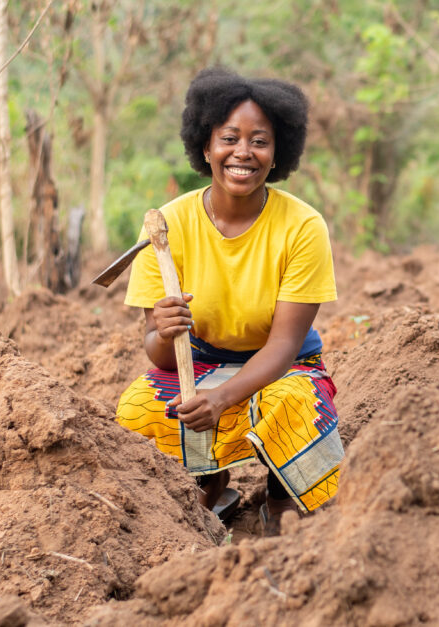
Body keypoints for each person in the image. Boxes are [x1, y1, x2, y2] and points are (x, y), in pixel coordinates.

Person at [115, 67, 342, 536]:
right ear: (205, 146)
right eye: (229, 138)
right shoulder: (166, 226)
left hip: (284, 365)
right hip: (200, 362)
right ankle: (208, 480)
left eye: (259, 140)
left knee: (295, 403)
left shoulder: (302, 227)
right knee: (138, 406)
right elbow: (157, 353)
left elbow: (282, 348)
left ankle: (282, 496)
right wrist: (164, 328)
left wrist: (219, 399)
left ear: (277, 153)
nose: (243, 152)